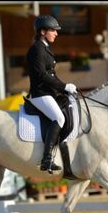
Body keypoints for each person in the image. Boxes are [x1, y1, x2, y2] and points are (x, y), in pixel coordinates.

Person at [26, 14, 77, 173]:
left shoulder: (45, 48)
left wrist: (65, 89)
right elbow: (42, 75)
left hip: (49, 92)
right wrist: (64, 86)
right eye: (53, 30)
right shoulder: (36, 49)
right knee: (59, 118)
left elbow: (52, 74)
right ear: (42, 32)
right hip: (40, 94)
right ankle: (46, 159)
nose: (56, 33)